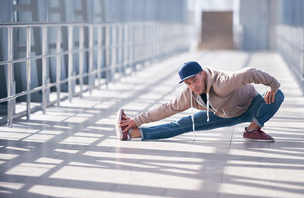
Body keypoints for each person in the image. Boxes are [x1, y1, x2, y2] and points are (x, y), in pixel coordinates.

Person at [115, 61, 284, 142]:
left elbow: (250, 72)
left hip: (250, 106)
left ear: (203, 73)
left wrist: (273, 86)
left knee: (278, 95)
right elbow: (167, 108)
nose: (193, 86)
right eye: (188, 83)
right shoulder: (190, 94)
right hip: (225, 115)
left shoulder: (222, 82)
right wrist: (136, 120)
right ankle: (132, 133)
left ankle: (252, 130)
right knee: (182, 124)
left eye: (194, 80)